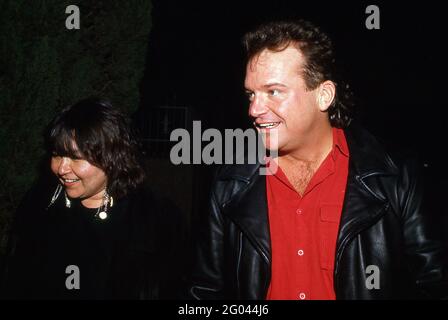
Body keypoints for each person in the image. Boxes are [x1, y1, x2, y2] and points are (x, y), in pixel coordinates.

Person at [186, 19, 446, 299]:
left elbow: (433, 285)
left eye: (273, 92)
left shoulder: (395, 178)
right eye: (251, 94)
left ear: (324, 95)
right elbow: (204, 292)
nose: (254, 109)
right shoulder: (229, 183)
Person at [0, 98, 183, 299]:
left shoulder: (152, 220)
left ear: (112, 158)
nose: (61, 168)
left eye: (76, 158)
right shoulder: (39, 203)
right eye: (56, 154)